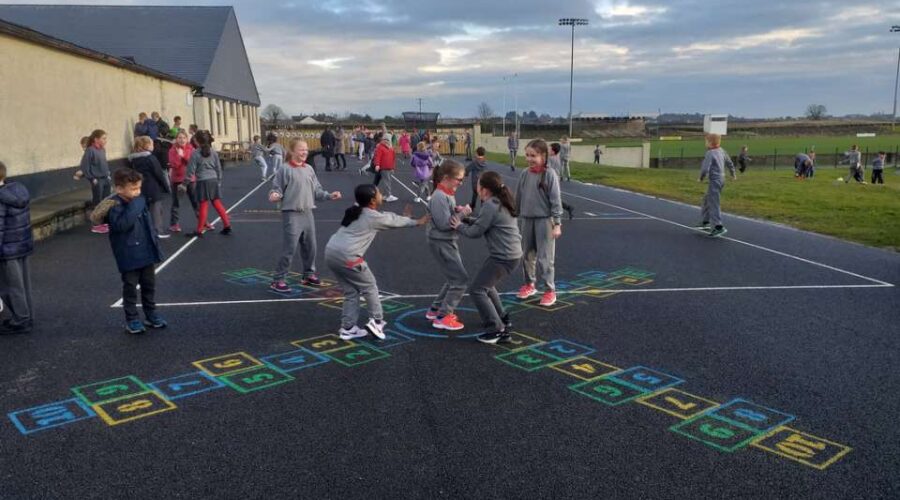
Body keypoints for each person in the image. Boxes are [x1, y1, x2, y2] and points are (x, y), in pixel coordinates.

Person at [325, 184, 428, 340]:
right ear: (373, 200)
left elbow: (386, 216)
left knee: (351, 291)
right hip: (349, 256)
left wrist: (406, 218)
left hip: (331, 253)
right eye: (379, 193)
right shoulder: (372, 217)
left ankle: (348, 328)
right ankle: (377, 321)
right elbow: (390, 220)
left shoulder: (356, 210)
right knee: (370, 286)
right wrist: (417, 222)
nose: (382, 195)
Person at [90, 168, 166, 334]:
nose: (137, 192)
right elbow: (121, 225)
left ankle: (151, 313)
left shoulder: (137, 201)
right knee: (131, 287)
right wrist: (137, 203)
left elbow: (148, 225)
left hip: (146, 250)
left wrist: (155, 241)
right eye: (133, 189)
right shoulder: (115, 206)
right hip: (129, 253)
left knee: (148, 285)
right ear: (119, 189)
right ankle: (132, 319)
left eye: (139, 188)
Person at [450, 171, 521, 344]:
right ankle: (503, 318)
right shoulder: (499, 202)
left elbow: (476, 232)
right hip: (510, 255)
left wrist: (458, 225)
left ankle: (495, 330)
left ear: (484, 190)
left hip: (503, 257)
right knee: (487, 286)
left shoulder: (490, 205)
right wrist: (466, 219)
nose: (476, 186)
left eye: (478, 184)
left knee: (477, 289)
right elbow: (485, 222)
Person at [269, 139, 341, 293]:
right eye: (301, 149)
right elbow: (276, 188)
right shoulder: (285, 169)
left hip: (308, 213)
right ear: (293, 151)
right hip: (292, 214)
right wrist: (274, 194)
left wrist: (329, 195)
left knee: (311, 247)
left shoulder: (309, 169)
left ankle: (308, 275)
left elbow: (317, 191)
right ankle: (278, 280)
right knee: (290, 249)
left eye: (306, 150)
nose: (304, 152)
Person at [515, 139, 563, 307]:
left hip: (544, 221)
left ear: (543, 156)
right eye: (527, 155)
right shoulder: (524, 174)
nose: (529, 159)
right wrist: (514, 214)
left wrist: (557, 223)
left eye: (533, 156)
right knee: (527, 255)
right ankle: (530, 284)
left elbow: (556, 201)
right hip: (527, 219)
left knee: (545, 258)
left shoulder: (550, 174)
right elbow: (518, 197)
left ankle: (550, 290)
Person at [426, 160, 471, 331]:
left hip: (445, 240)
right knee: (460, 280)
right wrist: (463, 214)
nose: (461, 183)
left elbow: (448, 216)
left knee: (454, 277)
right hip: (441, 241)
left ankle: (435, 309)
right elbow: (444, 224)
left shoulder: (447, 193)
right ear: (446, 177)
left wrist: (456, 211)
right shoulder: (439, 196)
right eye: (458, 179)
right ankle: (443, 316)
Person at [0, 161, 34, 335]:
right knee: (23, 284)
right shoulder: (18, 191)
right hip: (22, 245)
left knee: (10, 286)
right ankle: (27, 315)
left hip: (6, 250)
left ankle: (20, 320)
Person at [185, 132, 232, 238]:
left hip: (203, 181)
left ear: (197, 141)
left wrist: (185, 183)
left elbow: (190, 171)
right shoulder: (213, 152)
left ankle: (199, 230)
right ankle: (227, 225)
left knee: (203, 205)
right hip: (213, 180)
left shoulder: (195, 153)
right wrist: (219, 181)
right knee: (217, 203)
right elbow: (218, 168)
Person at [695, 133, 736, 238]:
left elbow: (705, 168)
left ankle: (718, 226)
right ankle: (705, 222)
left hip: (715, 180)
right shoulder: (722, 150)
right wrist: (733, 174)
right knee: (706, 199)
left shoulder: (710, 153)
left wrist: (701, 177)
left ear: (710, 143)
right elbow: (730, 163)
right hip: (722, 179)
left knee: (713, 202)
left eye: (706, 141)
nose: (705, 143)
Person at [129, 136, 171, 239]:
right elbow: (158, 173)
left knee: (145, 209)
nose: (153, 146)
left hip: (141, 187)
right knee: (156, 209)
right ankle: (158, 231)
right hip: (153, 186)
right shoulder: (150, 158)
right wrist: (165, 186)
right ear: (147, 146)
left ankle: (145, 230)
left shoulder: (134, 159)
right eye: (152, 144)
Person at [80, 129, 111, 234]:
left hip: (105, 178)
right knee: (98, 202)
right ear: (96, 139)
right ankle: (97, 225)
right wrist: (92, 178)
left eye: (105, 138)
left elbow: (104, 164)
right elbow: (85, 167)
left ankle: (106, 222)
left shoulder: (102, 150)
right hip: (97, 180)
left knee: (106, 201)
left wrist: (108, 175)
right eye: (103, 138)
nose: (105, 140)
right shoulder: (90, 151)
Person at [167, 130, 196, 233]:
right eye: (179, 138)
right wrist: (179, 155)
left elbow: (191, 163)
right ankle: (174, 224)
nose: (181, 140)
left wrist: (183, 155)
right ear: (176, 139)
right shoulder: (172, 150)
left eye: (183, 138)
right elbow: (174, 165)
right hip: (178, 180)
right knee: (176, 203)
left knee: (195, 201)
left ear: (187, 139)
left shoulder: (191, 148)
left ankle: (203, 222)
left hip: (190, 179)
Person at [373, 135, 398, 202]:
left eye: (388, 140)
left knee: (388, 181)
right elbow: (377, 157)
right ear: (383, 140)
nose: (386, 141)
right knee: (387, 182)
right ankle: (388, 195)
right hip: (384, 168)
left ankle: (386, 195)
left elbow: (393, 158)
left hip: (389, 168)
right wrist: (377, 165)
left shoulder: (391, 148)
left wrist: (393, 167)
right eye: (385, 139)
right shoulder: (380, 147)